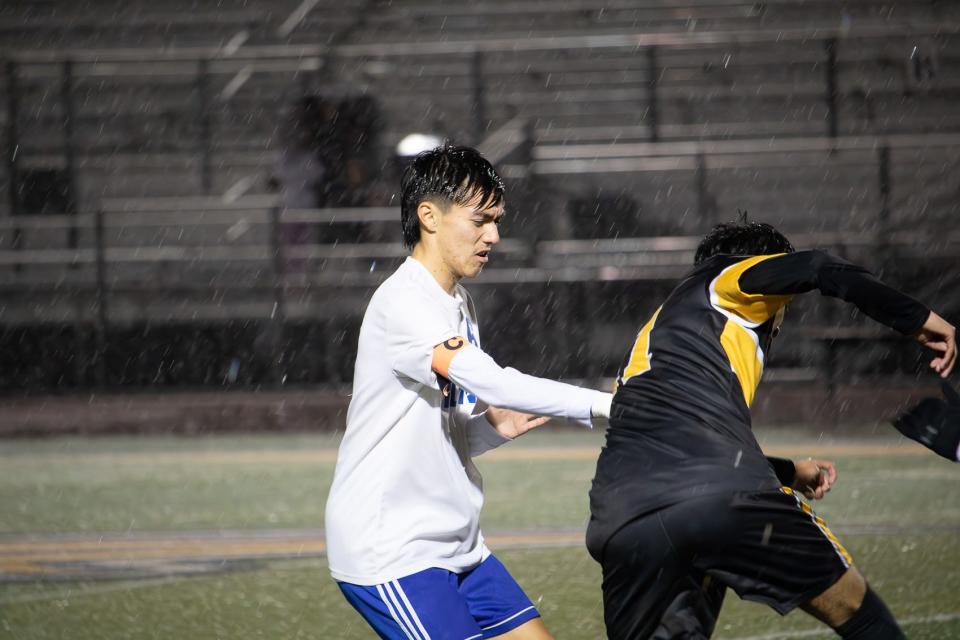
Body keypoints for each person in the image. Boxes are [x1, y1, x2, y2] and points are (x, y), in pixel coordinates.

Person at [586, 219, 956, 639]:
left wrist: (788, 472)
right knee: (858, 611)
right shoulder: (727, 278)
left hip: (622, 519)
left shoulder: (657, 336)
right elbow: (818, 266)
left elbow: (674, 443)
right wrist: (918, 319)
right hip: (719, 496)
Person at [325, 144, 612, 640]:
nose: (494, 236)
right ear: (428, 216)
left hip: (459, 545)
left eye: (497, 221)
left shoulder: (456, 301)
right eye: (480, 220)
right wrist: (610, 405)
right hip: (394, 550)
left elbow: (435, 433)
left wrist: (490, 431)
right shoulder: (405, 304)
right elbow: (496, 382)